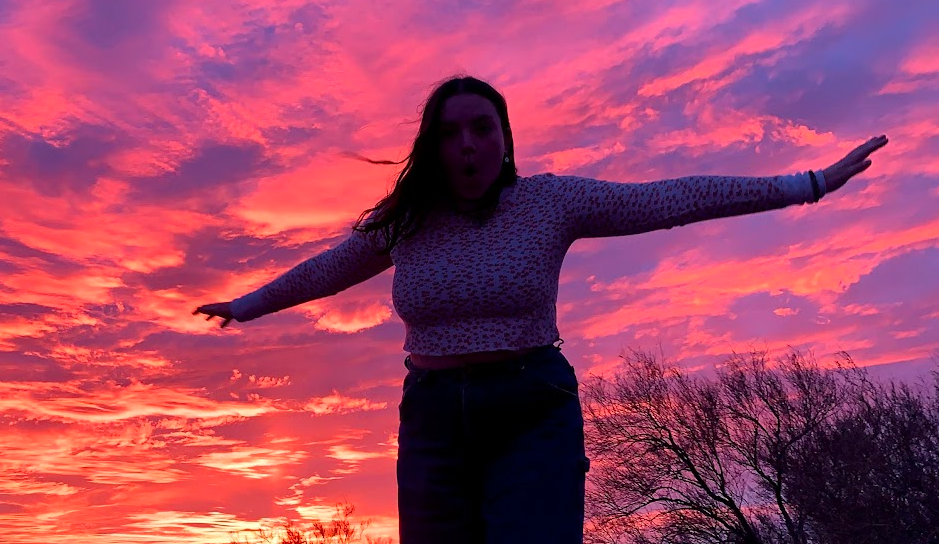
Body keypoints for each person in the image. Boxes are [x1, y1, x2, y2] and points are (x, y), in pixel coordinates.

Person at [193, 75, 888, 544]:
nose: (466, 144)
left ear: (504, 138)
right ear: (431, 147)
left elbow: (670, 198)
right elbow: (328, 269)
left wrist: (807, 185)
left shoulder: (548, 203)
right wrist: (247, 305)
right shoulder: (407, 222)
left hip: (529, 409)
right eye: (449, 133)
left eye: (481, 128)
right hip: (433, 420)